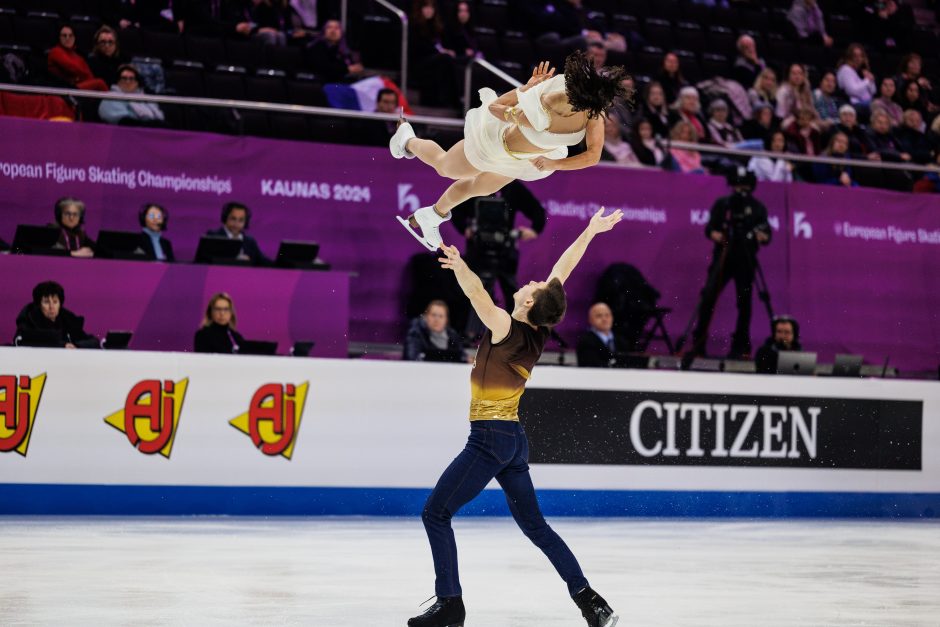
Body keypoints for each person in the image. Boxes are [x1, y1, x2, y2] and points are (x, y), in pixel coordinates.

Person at [409, 207, 623, 627]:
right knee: (536, 527)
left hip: (489, 438)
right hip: (512, 441)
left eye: (534, 285)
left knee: (435, 513)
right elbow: (564, 269)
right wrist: (590, 231)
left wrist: (459, 264)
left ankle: (450, 604)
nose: (533, 280)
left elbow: (477, 297)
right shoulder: (538, 331)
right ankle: (591, 602)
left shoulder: (507, 328)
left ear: (527, 302)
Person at [390, 54, 630, 251]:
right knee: (445, 167)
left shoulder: (593, 113)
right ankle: (408, 139)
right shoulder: (552, 97)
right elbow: (496, 107)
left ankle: (431, 216)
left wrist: (554, 164)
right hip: (494, 143)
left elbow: (592, 156)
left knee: (480, 187)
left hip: (519, 160)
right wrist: (526, 93)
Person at [690, 168, 771, 359]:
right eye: (737, 184)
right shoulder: (723, 204)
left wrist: (761, 236)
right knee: (708, 296)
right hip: (724, 256)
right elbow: (710, 228)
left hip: (746, 258)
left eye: (745, 185)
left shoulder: (758, 207)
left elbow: (767, 234)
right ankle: (699, 342)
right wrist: (715, 234)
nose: (741, 189)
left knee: (745, 303)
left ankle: (741, 345)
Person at [15, 281, 97, 349]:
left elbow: (93, 341)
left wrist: (76, 345)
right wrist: (62, 345)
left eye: (55, 302)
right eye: (46, 302)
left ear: (60, 304)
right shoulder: (29, 320)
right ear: (38, 305)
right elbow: (22, 340)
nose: (51, 307)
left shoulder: (68, 320)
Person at [409, 0, 460, 108]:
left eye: (431, 8)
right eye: (426, 7)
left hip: (434, 60)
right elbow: (418, 48)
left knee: (452, 60)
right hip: (419, 62)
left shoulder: (436, 26)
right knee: (445, 59)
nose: (429, 10)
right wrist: (440, 52)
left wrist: (445, 51)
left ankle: (453, 99)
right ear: (420, 9)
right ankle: (455, 100)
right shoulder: (414, 25)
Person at [98, 64, 165, 127]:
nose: (128, 82)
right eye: (124, 78)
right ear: (118, 81)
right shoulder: (110, 97)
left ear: (137, 82)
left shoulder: (146, 98)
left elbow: (159, 117)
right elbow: (123, 121)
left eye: (131, 78)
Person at [47, 24, 108, 91]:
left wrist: (78, 77)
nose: (68, 38)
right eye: (64, 36)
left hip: (75, 87)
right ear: (59, 37)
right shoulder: (56, 51)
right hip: (62, 89)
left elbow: (89, 76)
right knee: (99, 83)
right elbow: (73, 68)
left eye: (70, 35)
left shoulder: (77, 55)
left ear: (74, 38)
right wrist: (79, 76)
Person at [304, 19, 363, 83]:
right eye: (329, 27)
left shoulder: (343, 48)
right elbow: (324, 68)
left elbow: (349, 64)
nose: (333, 31)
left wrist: (355, 67)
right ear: (324, 32)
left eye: (337, 28)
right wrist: (347, 69)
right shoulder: (318, 46)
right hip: (321, 83)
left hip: (342, 81)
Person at [575, 302, 625, 368]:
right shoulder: (586, 342)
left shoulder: (622, 341)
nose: (604, 319)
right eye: (599, 316)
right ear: (590, 320)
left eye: (607, 315)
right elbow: (590, 366)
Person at [836, 44, 876, 108]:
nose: (858, 59)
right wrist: (867, 80)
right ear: (849, 57)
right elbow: (853, 91)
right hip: (855, 104)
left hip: (867, 102)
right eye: (855, 56)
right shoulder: (845, 69)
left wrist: (870, 79)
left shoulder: (859, 72)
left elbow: (873, 91)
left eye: (860, 56)